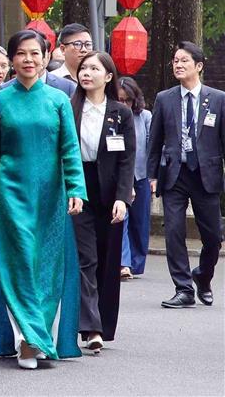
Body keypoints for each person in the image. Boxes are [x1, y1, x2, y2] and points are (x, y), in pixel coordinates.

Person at [0, 29, 86, 369]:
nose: (28, 60)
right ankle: (30, 340)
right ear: (12, 59)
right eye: (21, 54)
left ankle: (35, 335)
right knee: (20, 262)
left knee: (48, 268)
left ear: (45, 57)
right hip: (11, 194)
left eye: (35, 54)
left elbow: (70, 149)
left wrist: (76, 189)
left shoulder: (57, 101)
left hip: (51, 197)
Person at [148, 41, 224, 309]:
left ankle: (203, 277)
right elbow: (154, 139)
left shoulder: (218, 99)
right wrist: (151, 175)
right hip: (174, 174)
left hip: (206, 175)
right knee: (174, 232)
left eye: (184, 61)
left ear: (199, 66)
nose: (178, 65)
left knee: (213, 237)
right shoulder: (164, 98)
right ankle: (183, 289)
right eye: (175, 61)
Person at [71, 51, 135, 351]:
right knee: (86, 258)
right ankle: (90, 326)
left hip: (109, 193)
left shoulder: (120, 113)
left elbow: (127, 159)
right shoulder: (69, 107)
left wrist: (123, 198)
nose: (87, 73)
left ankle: (105, 325)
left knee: (108, 262)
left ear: (108, 76)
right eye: (83, 68)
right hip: (78, 190)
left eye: (94, 69)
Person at [118, 77, 153, 279]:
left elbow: (151, 144)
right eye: (120, 100)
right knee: (122, 218)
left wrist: (154, 175)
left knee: (140, 221)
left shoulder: (145, 117)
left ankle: (135, 262)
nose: (123, 104)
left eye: (127, 100)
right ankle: (123, 263)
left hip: (141, 174)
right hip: (120, 175)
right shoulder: (111, 115)